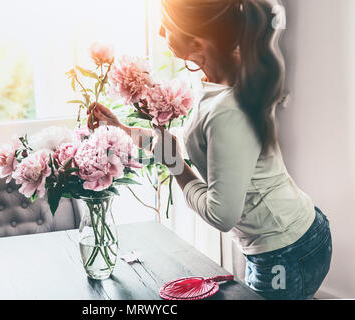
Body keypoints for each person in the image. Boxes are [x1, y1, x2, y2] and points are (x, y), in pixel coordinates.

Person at [88, 0, 332, 300]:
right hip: (291, 240)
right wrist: (125, 132)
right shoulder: (219, 77)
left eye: (168, 24)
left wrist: (176, 167)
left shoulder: (228, 108)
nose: (161, 30)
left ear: (198, 42)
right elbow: (205, 145)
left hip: (287, 252)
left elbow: (221, 214)